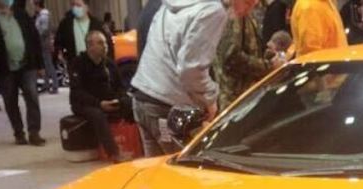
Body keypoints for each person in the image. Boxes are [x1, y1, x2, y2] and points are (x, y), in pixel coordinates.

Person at [131, 0, 227, 156]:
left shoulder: (169, 4)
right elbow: (190, 70)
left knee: (156, 173)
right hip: (167, 107)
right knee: (183, 173)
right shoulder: (212, 10)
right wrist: (210, 99)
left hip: (143, 98)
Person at [0, 0, 46, 145]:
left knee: (32, 96)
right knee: (10, 100)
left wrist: (40, 64)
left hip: (27, 64)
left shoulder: (21, 14)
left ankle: (34, 132)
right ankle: (19, 132)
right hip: (3, 67)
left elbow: (34, 39)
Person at [70, 31, 132, 161]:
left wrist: (120, 99)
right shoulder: (78, 63)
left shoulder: (109, 64)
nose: (105, 46)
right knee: (98, 115)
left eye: (105, 43)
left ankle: (138, 145)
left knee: (132, 103)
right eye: (101, 43)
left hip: (108, 100)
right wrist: (99, 103)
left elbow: (120, 86)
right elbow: (77, 92)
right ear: (90, 46)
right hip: (86, 104)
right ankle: (114, 153)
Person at [213, 0, 281, 110]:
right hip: (236, 99)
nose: (254, 3)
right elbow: (231, 57)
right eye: (248, 2)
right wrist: (267, 66)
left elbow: (248, 47)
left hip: (247, 95)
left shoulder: (245, 13)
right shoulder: (233, 15)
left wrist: (266, 54)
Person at [35, 0, 59, 94]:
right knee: (44, 65)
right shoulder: (41, 15)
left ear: (37, 5)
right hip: (42, 43)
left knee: (48, 64)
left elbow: (44, 30)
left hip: (43, 43)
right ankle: (46, 84)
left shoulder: (44, 15)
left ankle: (55, 85)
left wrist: (36, 36)